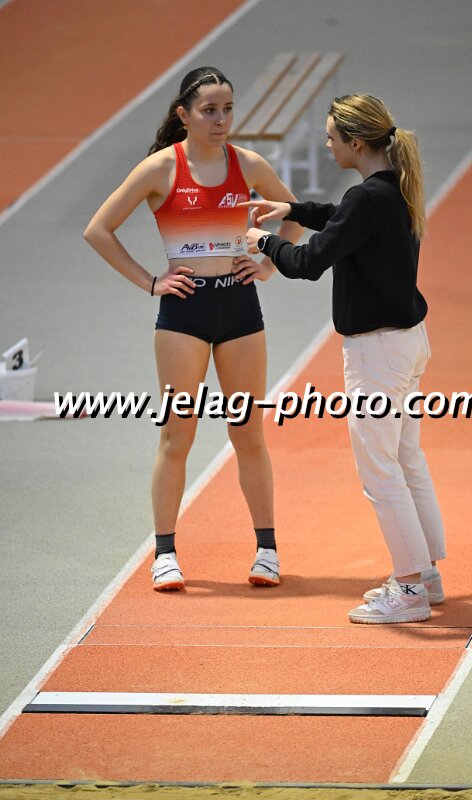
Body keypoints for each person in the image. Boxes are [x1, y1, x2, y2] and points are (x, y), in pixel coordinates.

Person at [84, 66, 302, 592]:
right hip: (183, 314)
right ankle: (165, 554)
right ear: (184, 114)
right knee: (176, 434)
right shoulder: (161, 168)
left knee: (247, 432)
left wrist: (268, 263)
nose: (221, 120)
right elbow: (98, 229)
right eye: (209, 110)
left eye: (228, 109)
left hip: (240, 309)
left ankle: (267, 551)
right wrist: (150, 282)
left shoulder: (247, 164)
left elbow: (294, 214)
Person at [236, 93, 446, 624]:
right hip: (407, 342)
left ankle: (410, 590)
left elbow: (307, 262)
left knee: (381, 472)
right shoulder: (391, 188)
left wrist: (264, 242)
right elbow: (340, 219)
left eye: (332, 137)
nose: (327, 145)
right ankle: (427, 576)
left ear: (355, 142)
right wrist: (293, 210)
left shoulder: (367, 198)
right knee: (406, 460)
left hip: (377, 353)